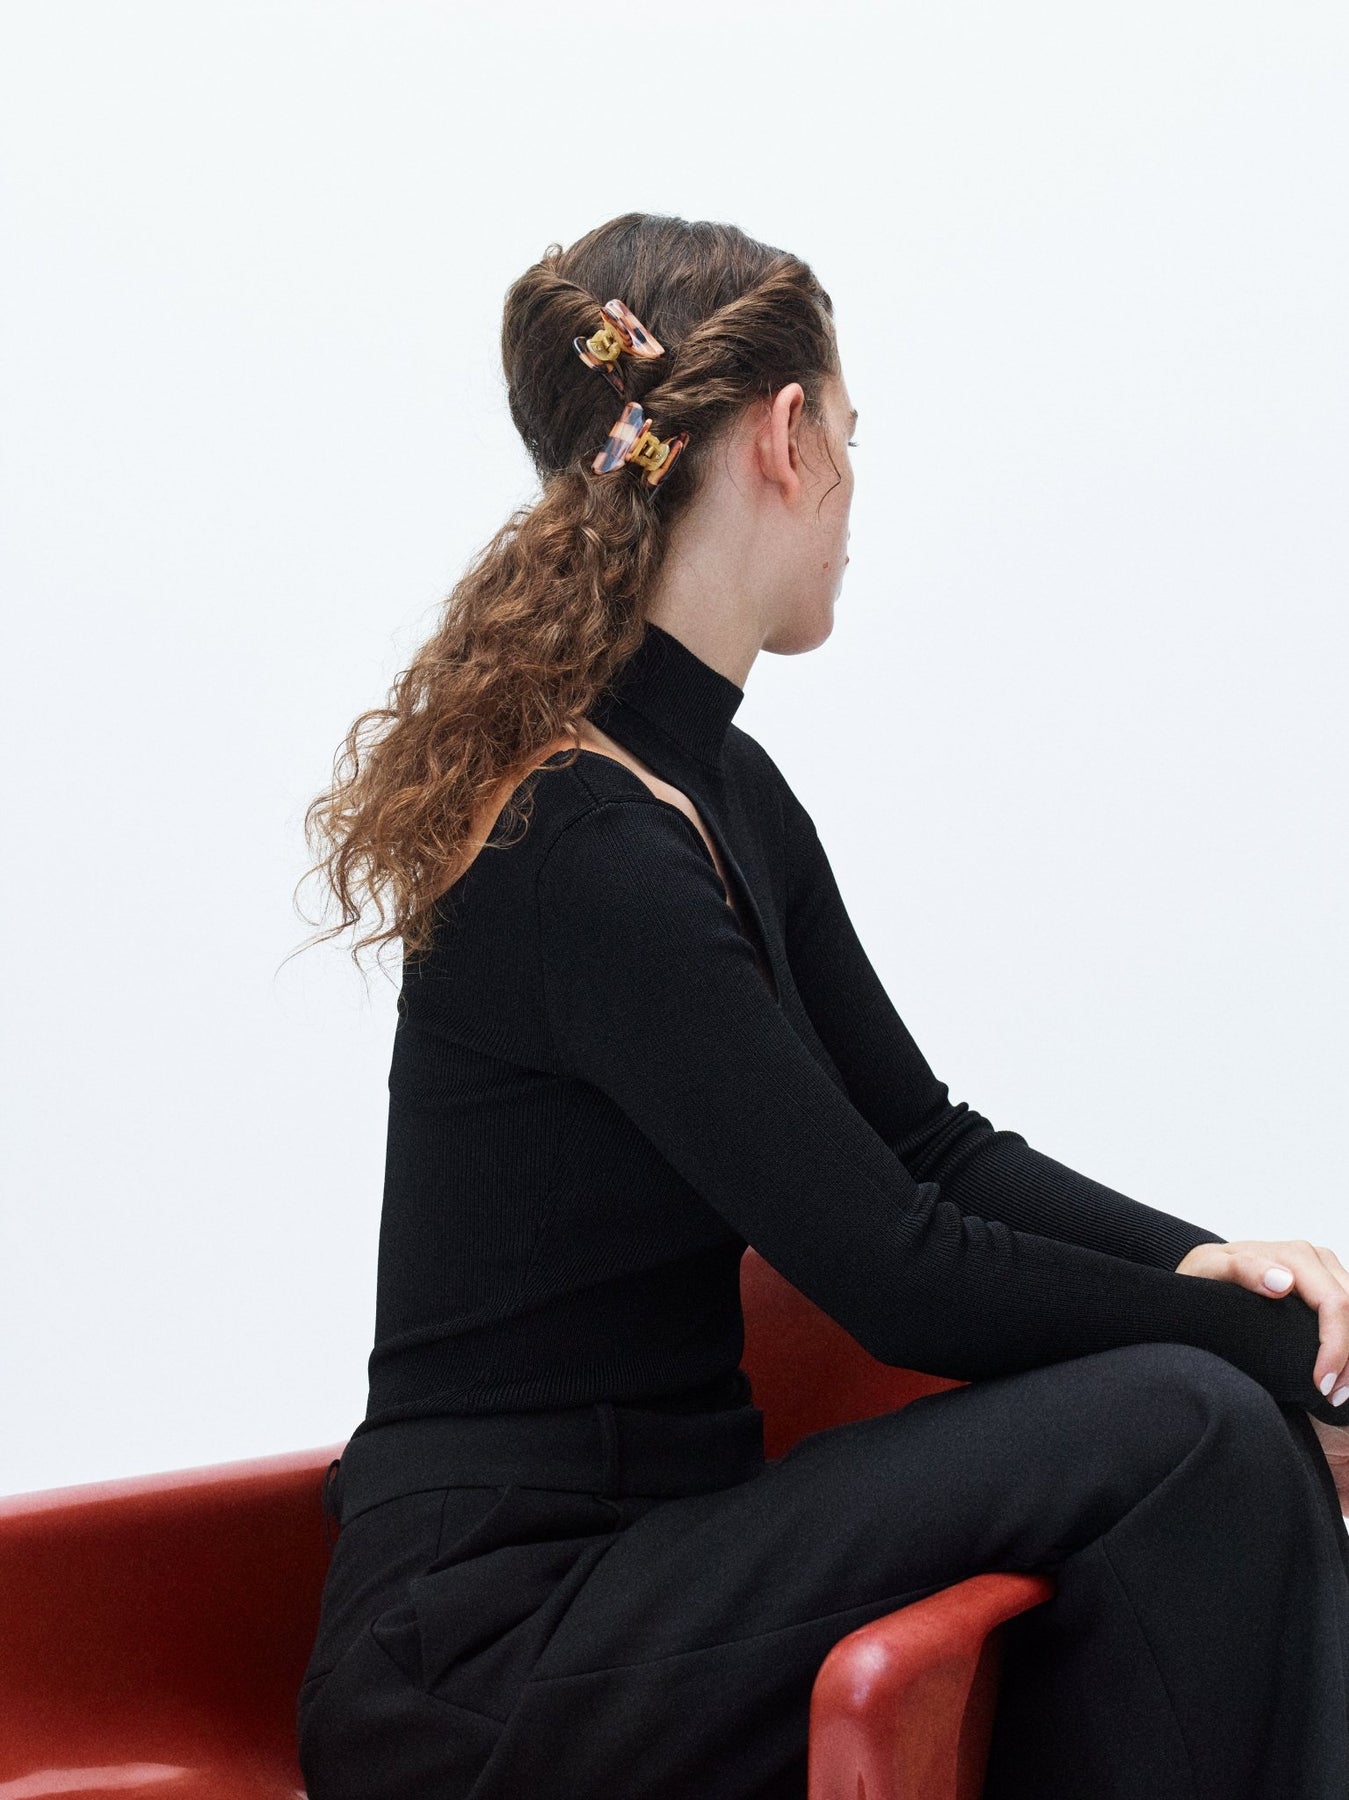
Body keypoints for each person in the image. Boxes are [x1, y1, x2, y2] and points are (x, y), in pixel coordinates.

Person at [290, 211, 1349, 1800]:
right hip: (484, 1658)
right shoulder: (577, 849)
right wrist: (1274, 1360)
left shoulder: (717, 790)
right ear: (787, 437)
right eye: (853, 434)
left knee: (1204, 1424)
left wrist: (1205, 1264)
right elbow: (892, 1270)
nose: (855, 490)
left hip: (660, 1570)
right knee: (1188, 1425)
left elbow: (924, 1143)